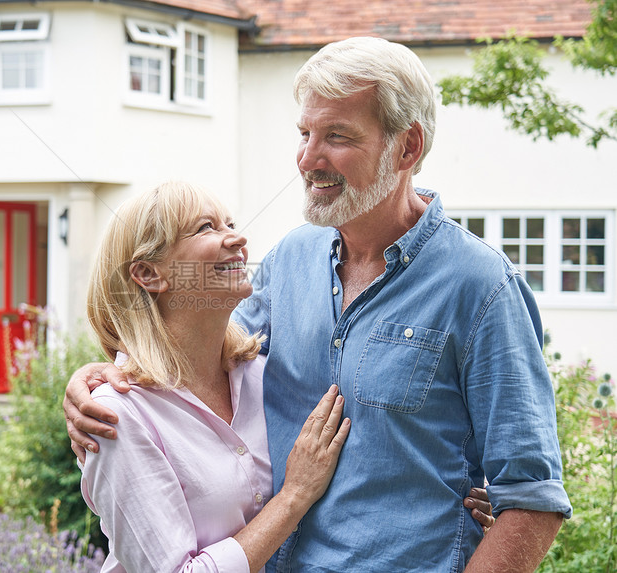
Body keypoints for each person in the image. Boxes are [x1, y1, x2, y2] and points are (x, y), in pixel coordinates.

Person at [66, 36, 549, 572]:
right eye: (304, 133)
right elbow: (201, 358)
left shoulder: (480, 286)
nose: (307, 158)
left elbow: (531, 498)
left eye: (337, 136)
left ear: (406, 148)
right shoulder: (290, 260)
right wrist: (98, 379)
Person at [81, 181, 351, 572]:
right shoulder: (116, 415)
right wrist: (294, 496)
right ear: (148, 274)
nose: (238, 238)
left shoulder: (265, 378)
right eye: (207, 227)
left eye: (230, 224)